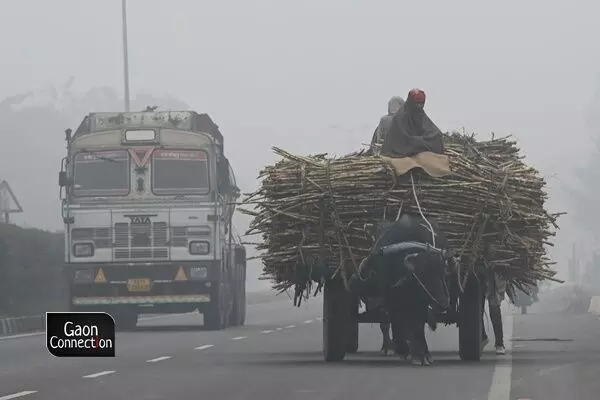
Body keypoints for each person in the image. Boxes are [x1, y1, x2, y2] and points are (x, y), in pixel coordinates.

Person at [380, 88, 444, 158]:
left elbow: (430, 128)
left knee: (437, 137)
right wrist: (420, 140)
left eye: (421, 103)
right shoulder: (400, 116)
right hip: (401, 146)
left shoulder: (420, 112)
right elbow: (402, 139)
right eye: (417, 103)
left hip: (415, 142)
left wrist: (432, 136)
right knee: (420, 143)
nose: (419, 105)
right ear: (411, 102)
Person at [482, 270, 507, 355]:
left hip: (492, 275)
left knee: (494, 308)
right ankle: (482, 335)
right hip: (472, 272)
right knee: (475, 308)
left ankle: (499, 343)